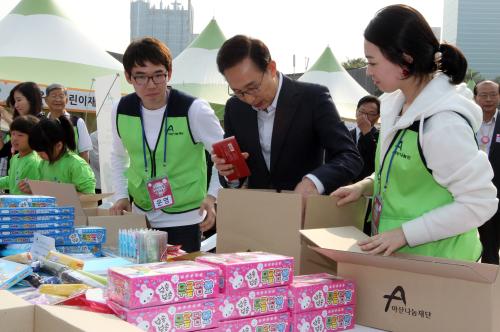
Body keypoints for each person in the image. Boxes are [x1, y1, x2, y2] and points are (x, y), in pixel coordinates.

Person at [332, 4, 498, 261]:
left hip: (442, 267)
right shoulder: (394, 105)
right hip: (405, 262)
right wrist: (366, 185)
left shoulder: (443, 123)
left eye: (372, 62)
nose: (368, 71)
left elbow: (480, 202)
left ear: (406, 60)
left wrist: (405, 233)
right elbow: (402, 171)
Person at [109, 37, 224, 253]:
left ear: (169, 73)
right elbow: (117, 156)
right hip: (140, 216)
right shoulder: (121, 109)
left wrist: (212, 196)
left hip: (186, 218)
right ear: (128, 77)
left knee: (182, 282)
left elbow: (224, 157)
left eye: (158, 75)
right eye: (140, 77)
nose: (151, 84)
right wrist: (121, 196)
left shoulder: (194, 109)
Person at [213, 35, 362, 196]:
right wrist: (230, 172)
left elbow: (349, 156)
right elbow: (238, 174)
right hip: (256, 211)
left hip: (304, 211)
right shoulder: (235, 108)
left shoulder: (312, 98)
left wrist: (314, 181)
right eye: (238, 92)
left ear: (271, 68)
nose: (249, 99)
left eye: (253, 87)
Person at [22, 116, 96, 194]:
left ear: (58, 146)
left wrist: (59, 192)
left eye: (42, 152)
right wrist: (33, 189)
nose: (39, 155)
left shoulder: (77, 165)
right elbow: (45, 193)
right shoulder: (44, 164)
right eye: (37, 151)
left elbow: (89, 197)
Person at [473, 80, 500, 264]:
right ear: (475, 97)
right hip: (465, 193)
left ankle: (491, 290)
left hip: (495, 196)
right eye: (483, 95)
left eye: (493, 94)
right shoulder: (464, 122)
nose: (488, 99)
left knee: (490, 250)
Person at [44, 83, 92, 163]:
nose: (58, 99)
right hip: (47, 172)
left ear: (66, 100)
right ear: (46, 100)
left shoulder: (77, 122)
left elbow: (84, 153)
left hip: (72, 173)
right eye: (54, 96)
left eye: (61, 96)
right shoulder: (42, 124)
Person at [0, 82, 45, 160]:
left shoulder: (44, 123)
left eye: (19, 100)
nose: (16, 105)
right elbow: (3, 151)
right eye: (15, 101)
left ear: (31, 99)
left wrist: (6, 117)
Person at [0, 115, 41, 194]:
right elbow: (11, 180)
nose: (14, 138)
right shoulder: (15, 158)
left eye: (20, 135)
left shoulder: (33, 162)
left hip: (26, 205)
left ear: (33, 137)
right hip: (14, 205)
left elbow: (35, 190)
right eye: (13, 134)